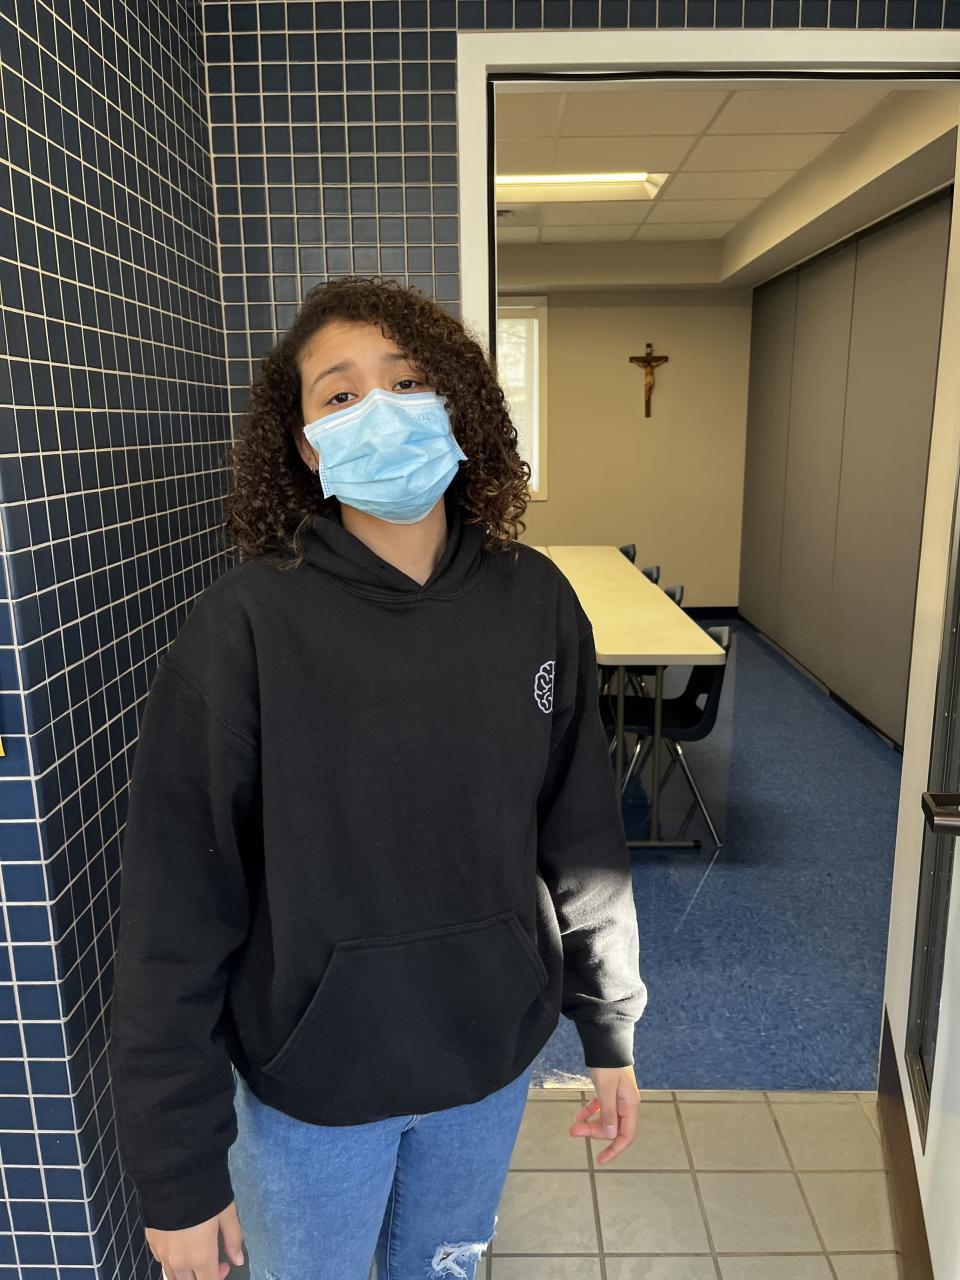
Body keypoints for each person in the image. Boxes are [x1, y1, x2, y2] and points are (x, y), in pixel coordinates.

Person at [106, 276, 649, 1280]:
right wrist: (176, 1166)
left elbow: (582, 837)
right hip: (312, 1090)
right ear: (308, 446)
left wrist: (607, 1025)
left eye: (407, 381)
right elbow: (176, 907)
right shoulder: (245, 627)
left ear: (456, 406)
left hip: (485, 1066)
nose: (382, 410)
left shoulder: (535, 602)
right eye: (341, 393)